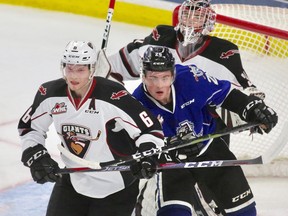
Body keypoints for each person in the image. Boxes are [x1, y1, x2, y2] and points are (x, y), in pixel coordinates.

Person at [106, 0, 265, 214]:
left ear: (208, 20)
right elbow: (112, 69)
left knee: (216, 200)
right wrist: (102, 73)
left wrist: (253, 110)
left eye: (198, 16)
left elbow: (240, 93)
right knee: (171, 204)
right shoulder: (160, 39)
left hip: (207, 134)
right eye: (188, 14)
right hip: (166, 141)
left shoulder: (223, 51)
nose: (191, 20)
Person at [17, 40, 165, 216]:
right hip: (73, 178)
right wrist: (36, 155)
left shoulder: (112, 95)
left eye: (81, 69)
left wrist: (147, 155)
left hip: (116, 185)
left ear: (92, 69)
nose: (74, 76)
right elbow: (29, 127)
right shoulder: (49, 93)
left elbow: (150, 130)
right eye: (69, 68)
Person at [131, 45, 277, 216]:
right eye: (152, 78)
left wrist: (251, 108)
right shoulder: (136, 105)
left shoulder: (190, 79)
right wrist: (145, 160)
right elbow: (137, 146)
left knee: (245, 213)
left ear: (173, 75)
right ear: (143, 76)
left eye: (165, 77)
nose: (159, 85)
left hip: (210, 150)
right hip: (172, 165)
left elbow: (226, 94)